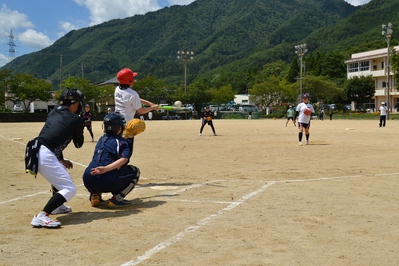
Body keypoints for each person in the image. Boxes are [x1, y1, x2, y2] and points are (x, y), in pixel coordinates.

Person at [25, 88, 85, 228]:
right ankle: (42, 216)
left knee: (61, 167)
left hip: (35, 148)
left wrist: (60, 159)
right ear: (75, 104)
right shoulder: (76, 119)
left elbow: (53, 137)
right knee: (69, 188)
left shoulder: (53, 112)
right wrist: (80, 126)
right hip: (45, 152)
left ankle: (58, 206)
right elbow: (78, 144)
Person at [83, 112, 140, 207]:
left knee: (97, 167)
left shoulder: (101, 139)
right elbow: (124, 159)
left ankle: (95, 194)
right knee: (135, 171)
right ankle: (117, 199)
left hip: (88, 179)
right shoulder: (121, 142)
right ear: (120, 128)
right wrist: (106, 169)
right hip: (107, 181)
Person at [114, 68, 159, 153]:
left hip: (116, 122)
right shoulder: (133, 94)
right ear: (130, 81)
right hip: (127, 126)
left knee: (117, 149)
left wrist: (150, 103)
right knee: (126, 152)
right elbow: (141, 111)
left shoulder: (117, 89)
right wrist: (152, 108)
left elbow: (136, 99)